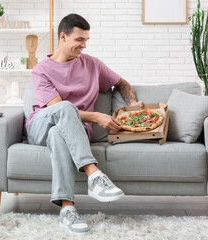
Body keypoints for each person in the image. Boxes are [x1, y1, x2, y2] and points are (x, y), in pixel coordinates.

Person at [25, 13, 144, 235]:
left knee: (58, 136)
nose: (84, 45)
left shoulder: (92, 65)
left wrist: (133, 103)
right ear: (63, 37)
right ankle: (94, 174)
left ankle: (67, 211)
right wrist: (98, 116)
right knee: (64, 108)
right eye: (80, 40)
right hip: (40, 126)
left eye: (86, 40)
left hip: (71, 132)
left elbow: (121, 83)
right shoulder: (41, 70)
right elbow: (57, 108)